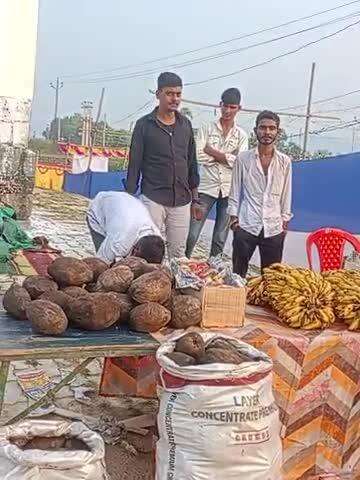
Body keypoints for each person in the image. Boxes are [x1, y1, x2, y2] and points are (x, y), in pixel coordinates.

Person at [126, 72, 200, 258]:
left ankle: (176, 286)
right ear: (158, 94)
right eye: (169, 93)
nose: (174, 98)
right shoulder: (144, 125)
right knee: (149, 252)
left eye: (178, 94)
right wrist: (129, 197)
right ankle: (146, 286)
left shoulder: (185, 125)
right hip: (153, 198)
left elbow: (191, 161)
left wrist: (195, 198)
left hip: (182, 200)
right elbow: (134, 163)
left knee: (178, 254)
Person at [228, 110, 293, 278]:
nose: (267, 132)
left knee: (271, 279)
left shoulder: (284, 161)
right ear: (255, 130)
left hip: (273, 227)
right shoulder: (243, 159)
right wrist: (234, 220)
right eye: (263, 127)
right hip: (246, 225)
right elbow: (235, 190)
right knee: (237, 275)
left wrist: (284, 221)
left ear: (278, 132)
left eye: (272, 128)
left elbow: (287, 192)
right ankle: (236, 303)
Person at [186, 88, 248, 258]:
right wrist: (228, 157)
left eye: (232, 107)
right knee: (191, 234)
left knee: (220, 238)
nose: (228, 111)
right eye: (225, 106)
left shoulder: (241, 135)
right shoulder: (207, 128)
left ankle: (212, 272)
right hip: (205, 187)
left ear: (239, 108)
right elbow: (198, 154)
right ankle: (181, 264)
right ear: (220, 105)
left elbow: (240, 162)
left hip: (229, 190)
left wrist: (212, 152)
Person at [86, 191, 165, 265]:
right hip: (99, 210)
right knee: (104, 265)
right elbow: (99, 263)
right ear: (135, 251)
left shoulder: (157, 237)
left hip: (126, 205)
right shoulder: (118, 242)